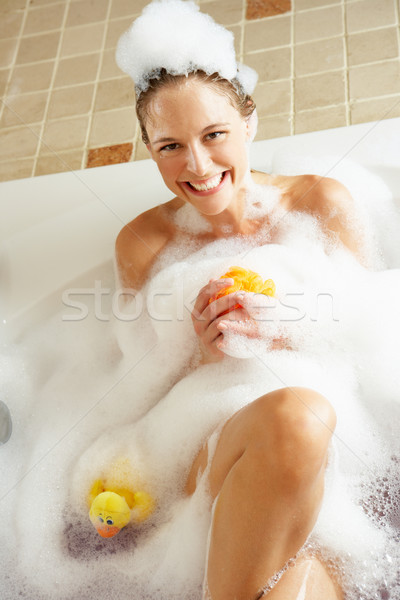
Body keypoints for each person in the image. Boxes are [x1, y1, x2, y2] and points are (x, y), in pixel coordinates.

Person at [114, 2, 366, 598]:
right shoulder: (146, 243)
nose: (196, 166)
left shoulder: (321, 205)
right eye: (169, 145)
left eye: (214, 134)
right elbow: (128, 395)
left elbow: (375, 333)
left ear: (249, 122)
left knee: (299, 580)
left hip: (338, 447)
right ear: (149, 146)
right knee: (294, 419)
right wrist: (202, 356)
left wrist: (295, 331)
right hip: (210, 448)